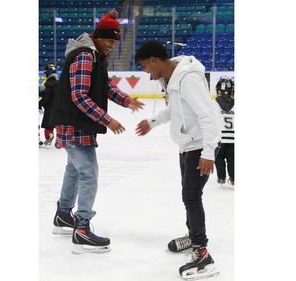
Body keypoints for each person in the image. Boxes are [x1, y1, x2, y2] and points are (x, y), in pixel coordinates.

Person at [49, 10, 144, 254]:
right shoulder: (85, 57)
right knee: (89, 173)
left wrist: (126, 101)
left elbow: (105, 87)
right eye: (109, 40)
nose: (112, 46)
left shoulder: (94, 57)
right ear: (98, 38)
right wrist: (108, 119)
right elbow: (79, 95)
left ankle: (62, 215)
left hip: (75, 125)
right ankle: (82, 229)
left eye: (115, 41)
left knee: (74, 170)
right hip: (75, 126)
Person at [134, 40, 221, 279]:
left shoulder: (188, 79)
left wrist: (208, 152)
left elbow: (207, 116)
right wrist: (152, 122)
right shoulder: (172, 79)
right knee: (189, 194)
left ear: (154, 60)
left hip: (199, 145)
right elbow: (176, 111)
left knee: (191, 196)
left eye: (145, 66)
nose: (145, 71)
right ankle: (193, 237)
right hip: (187, 145)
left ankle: (202, 253)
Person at [214, 77, 235, 186]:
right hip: (234, 139)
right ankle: (234, 177)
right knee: (232, 159)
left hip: (219, 138)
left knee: (219, 158)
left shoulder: (214, 104)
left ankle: (221, 177)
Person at [39, 64, 58, 148]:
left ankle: (49, 139)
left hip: (50, 108)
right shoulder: (58, 83)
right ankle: (64, 140)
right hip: (58, 108)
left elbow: (47, 97)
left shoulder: (48, 83)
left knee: (48, 125)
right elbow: (49, 93)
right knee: (58, 125)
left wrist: (39, 104)